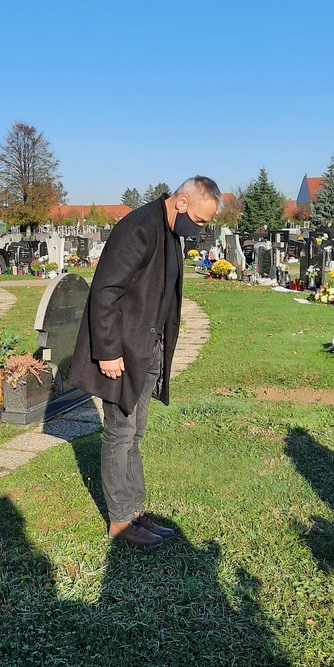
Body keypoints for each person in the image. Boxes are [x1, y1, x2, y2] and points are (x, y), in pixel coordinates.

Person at [69, 176, 221, 549]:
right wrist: (106, 352)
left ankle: (134, 510)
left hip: (146, 350)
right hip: (119, 352)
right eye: (200, 221)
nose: (199, 230)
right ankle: (120, 521)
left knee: (134, 434)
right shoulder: (138, 227)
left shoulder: (168, 231)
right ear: (182, 202)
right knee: (119, 434)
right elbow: (104, 291)